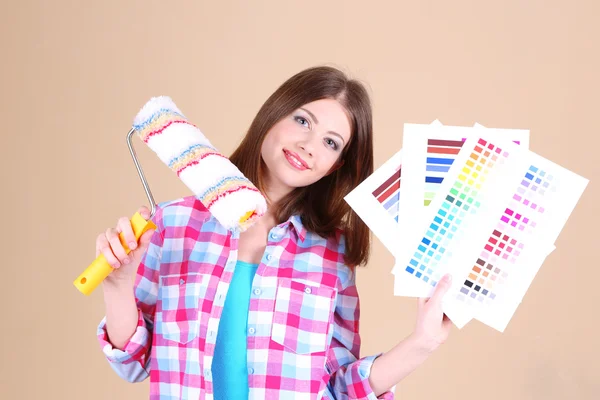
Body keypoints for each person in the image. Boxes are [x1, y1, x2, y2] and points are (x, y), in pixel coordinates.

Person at [96, 65, 453, 400]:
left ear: (336, 165)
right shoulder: (173, 224)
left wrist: (422, 342)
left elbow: (339, 386)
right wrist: (117, 285)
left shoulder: (334, 254)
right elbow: (134, 363)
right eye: (302, 121)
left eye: (331, 143)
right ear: (273, 114)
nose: (309, 145)